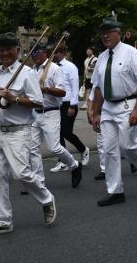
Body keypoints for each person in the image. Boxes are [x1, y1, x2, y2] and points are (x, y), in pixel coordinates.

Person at [0, 32, 56, 236]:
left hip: (19, 131)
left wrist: (14, 99)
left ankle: (46, 199)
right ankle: (3, 221)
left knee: (21, 173)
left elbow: (38, 102)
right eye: (1, 50)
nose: (4, 53)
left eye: (8, 49)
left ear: (18, 50)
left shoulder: (27, 73)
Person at [91, 18, 137, 206]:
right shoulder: (102, 57)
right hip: (107, 108)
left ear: (118, 32)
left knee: (127, 146)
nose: (105, 36)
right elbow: (97, 87)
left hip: (127, 105)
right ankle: (115, 191)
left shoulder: (131, 52)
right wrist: (95, 113)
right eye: (102, 33)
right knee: (109, 150)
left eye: (109, 31)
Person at [30, 42, 82, 188]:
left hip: (51, 111)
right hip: (35, 113)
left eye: (36, 52)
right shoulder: (32, 71)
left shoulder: (54, 69)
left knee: (54, 148)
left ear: (44, 53)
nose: (34, 56)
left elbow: (62, 92)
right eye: (32, 53)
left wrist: (46, 89)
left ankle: (74, 165)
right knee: (32, 148)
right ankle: (38, 181)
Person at [50, 45, 89, 172]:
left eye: (55, 53)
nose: (53, 55)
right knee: (57, 133)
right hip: (56, 104)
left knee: (66, 132)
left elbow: (74, 86)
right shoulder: (52, 67)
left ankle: (83, 149)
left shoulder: (70, 67)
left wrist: (73, 105)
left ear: (62, 53)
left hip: (68, 104)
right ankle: (63, 161)